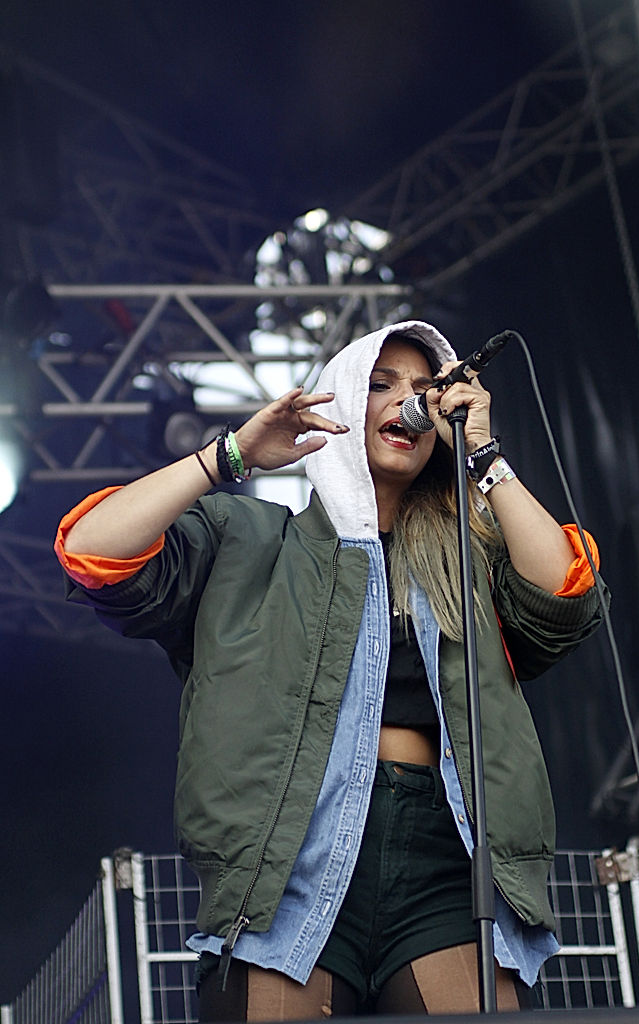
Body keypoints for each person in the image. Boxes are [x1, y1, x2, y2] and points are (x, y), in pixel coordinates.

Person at [55, 320, 605, 1020]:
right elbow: (91, 551)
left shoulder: (469, 555)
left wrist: (486, 457)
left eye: (423, 390)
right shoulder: (248, 538)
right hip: (285, 864)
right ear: (341, 402)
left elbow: (568, 599)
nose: (409, 403)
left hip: (444, 864)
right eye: (380, 385)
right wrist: (231, 455)